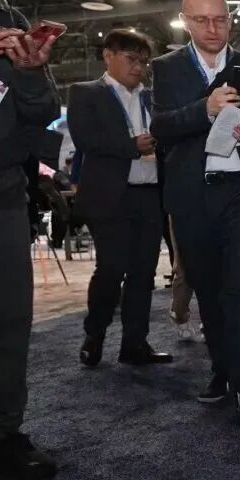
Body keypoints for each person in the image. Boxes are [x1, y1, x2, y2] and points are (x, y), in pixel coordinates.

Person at [150, 0, 240, 423]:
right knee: (208, 289)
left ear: (230, 20)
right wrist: (205, 109)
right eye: (202, 20)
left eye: (220, 19)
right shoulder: (166, 68)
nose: (212, 28)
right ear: (184, 21)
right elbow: (161, 128)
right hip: (192, 197)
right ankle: (222, 369)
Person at [0, 0, 63, 480]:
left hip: (4, 196)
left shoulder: (11, 18)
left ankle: (2, 432)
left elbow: (42, 114)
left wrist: (33, 73)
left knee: (10, 320)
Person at [68, 29, 172, 368]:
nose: (138, 67)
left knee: (143, 274)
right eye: (131, 59)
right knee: (111, 269)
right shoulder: (85, 93)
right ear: (108, 56)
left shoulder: (153, 99)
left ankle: (134, 344)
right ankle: (94, 334)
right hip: (110, 196)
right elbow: (85, 139)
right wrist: (132, 146)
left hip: (149, 195)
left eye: (143, 61)